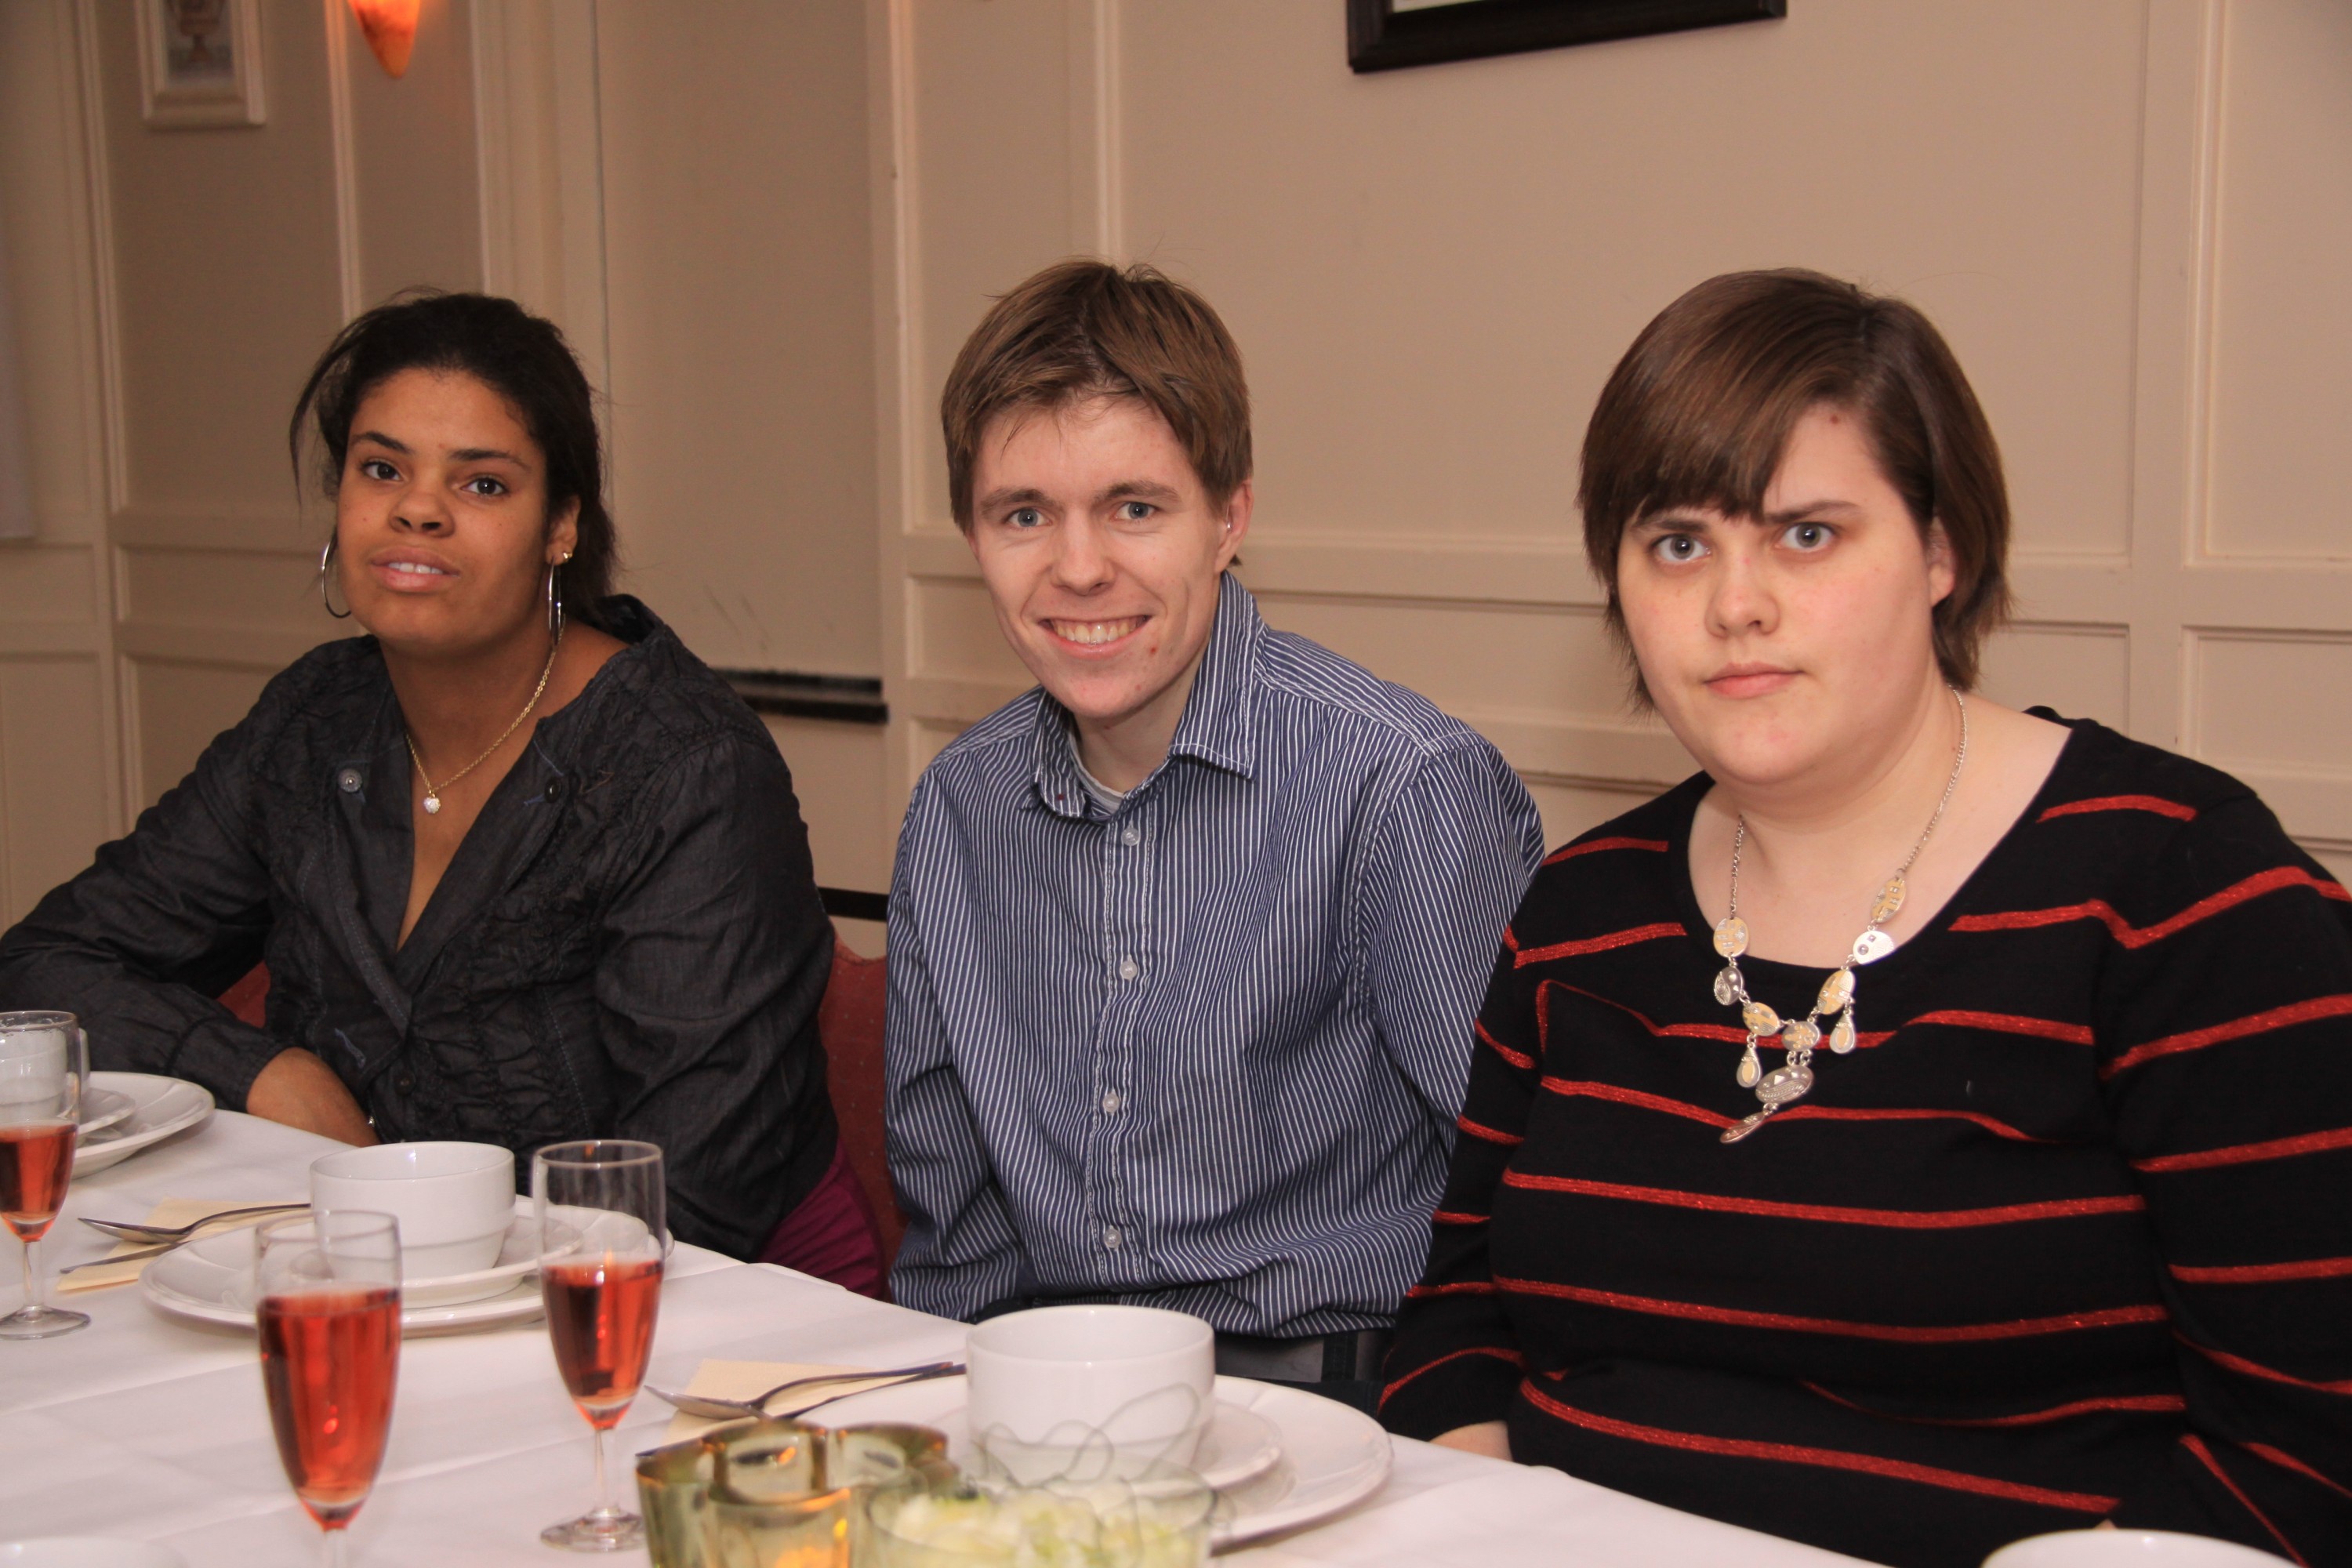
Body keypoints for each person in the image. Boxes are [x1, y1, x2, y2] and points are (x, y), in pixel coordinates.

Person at [1379, 269, 2352, 1565]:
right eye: (1678, 544)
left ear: (1943, 553)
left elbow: (2306, 1453)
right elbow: (1456, 1320)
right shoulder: (1580, 909)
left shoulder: (2183, 893)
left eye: (1806, 534)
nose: (1735, 604)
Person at [0, 293, 879, 1278]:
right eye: (382, 469)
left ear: (561, 527)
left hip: (705, 1308)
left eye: (483, 483)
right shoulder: (313, 719)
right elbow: (45, 969)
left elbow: (687, 1196)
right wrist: (266, 1072)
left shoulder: (685, 766)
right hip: (388, 1269)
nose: (417, 509)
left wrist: (419, 1260)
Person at [884, 260, 1544, 1404]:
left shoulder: (1399, 787)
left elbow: (1521, 1191)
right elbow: (955, 1226)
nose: (1079, 568)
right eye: (1024, 515)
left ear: (1230, 518)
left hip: (1337, 1391)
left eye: (1135, 509)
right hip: (1045, 1392)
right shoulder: (957, 809)